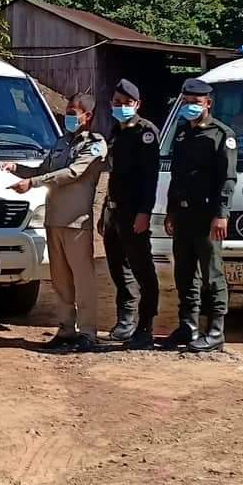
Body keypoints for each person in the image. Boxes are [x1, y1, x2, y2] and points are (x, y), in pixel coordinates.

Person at [8, 91, 107, 350]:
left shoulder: (95, 144)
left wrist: (32, 183)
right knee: (60, 279)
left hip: (76, 222)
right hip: (54, 220)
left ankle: (88, 332)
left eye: (73, 114)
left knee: (83, 279)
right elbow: (44, 170)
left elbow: (72, 173)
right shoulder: (62, 142)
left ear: (88, 116)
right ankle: (66, 329)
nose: (68, 118)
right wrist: (17, 169)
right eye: (67, 113)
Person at [163, 76, 236, 354]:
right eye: (186, 101)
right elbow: (176, 176)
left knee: (212, 273)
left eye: (195, 102)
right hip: (183, 214)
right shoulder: (183, 133)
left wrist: (221, 214)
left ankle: (215, 331)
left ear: (208, 103)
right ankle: (188, 326)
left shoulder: (221, 135)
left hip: (207, 216)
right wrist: (171, 211)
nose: (190, 106)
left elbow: (227, 179)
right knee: (184, 273)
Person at [101, 78, 161, 349]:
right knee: (118, 268)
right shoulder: (116, 131)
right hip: (114, 212)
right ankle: (125, 321)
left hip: (134, 213)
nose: (121, 107)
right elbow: (113, 176)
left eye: (127, 103)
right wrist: (104, 212)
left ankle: (145, 326)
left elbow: (150, 178)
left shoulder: (145, 132)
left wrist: (144, 212)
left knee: (142, 270)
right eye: (117, 102)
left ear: (137, 104)